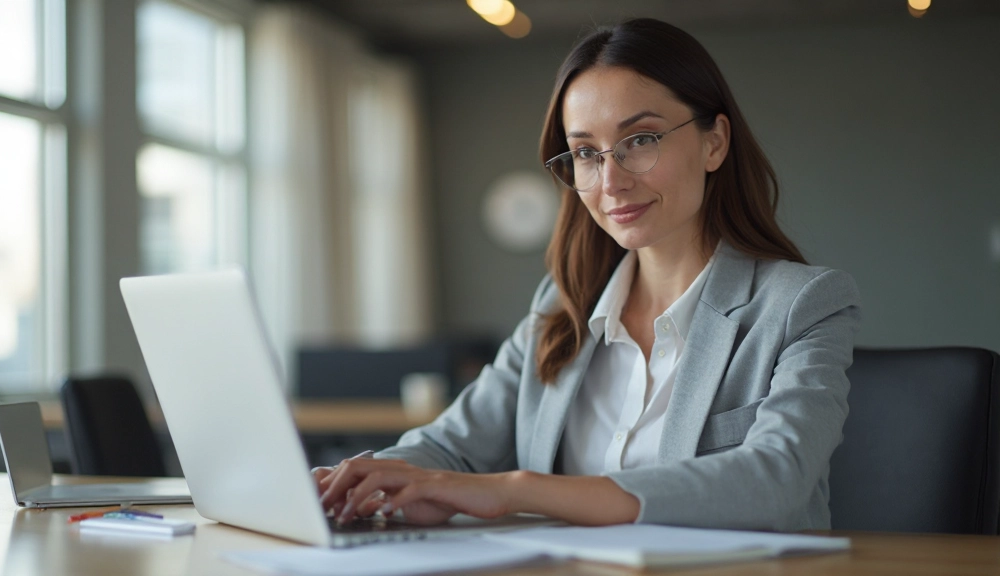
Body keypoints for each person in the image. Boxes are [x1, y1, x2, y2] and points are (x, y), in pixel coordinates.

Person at [315, 18, 861, 532]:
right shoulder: (561, 306)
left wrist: (520, 491)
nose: (611, 181)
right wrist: (360, 482)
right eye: (585, 153)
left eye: (641, 140)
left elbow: (776, 477)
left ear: (714, 141)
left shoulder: (802, 304)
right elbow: (447, 449)